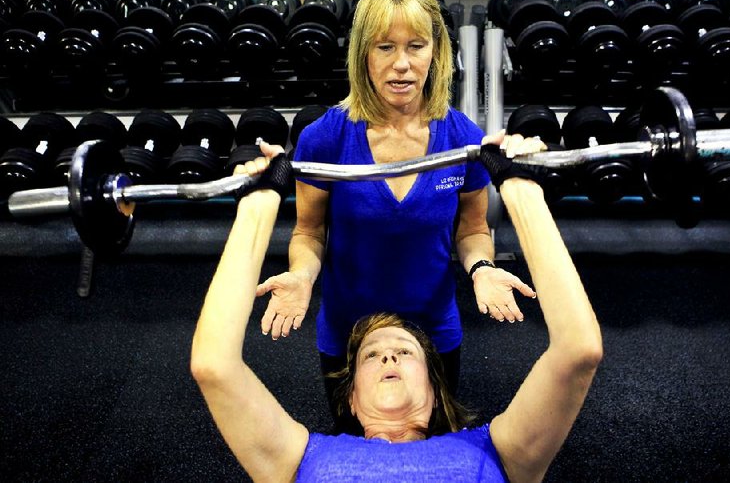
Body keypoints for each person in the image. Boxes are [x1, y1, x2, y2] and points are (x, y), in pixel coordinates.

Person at [191, 134, 603, 482]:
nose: (388, 354)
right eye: (372, 356)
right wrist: (257, 205)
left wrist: (521, 190)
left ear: (437, 392)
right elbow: (214, 366)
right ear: (349, 398)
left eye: (405, 353)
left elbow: (578, 353)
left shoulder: (497, 450)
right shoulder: (299, 454)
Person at [256, 0, 535, 410]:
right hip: (351, 333)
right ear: (362, 53)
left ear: (436, 51)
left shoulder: (464, 138)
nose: (401, 64)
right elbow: (309, 232)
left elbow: (473, 230)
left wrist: (481, 268)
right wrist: (301, 276)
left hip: (434, 328)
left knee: (436, 446)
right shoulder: (325, 138)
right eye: (385, 47)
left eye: (415, 46)